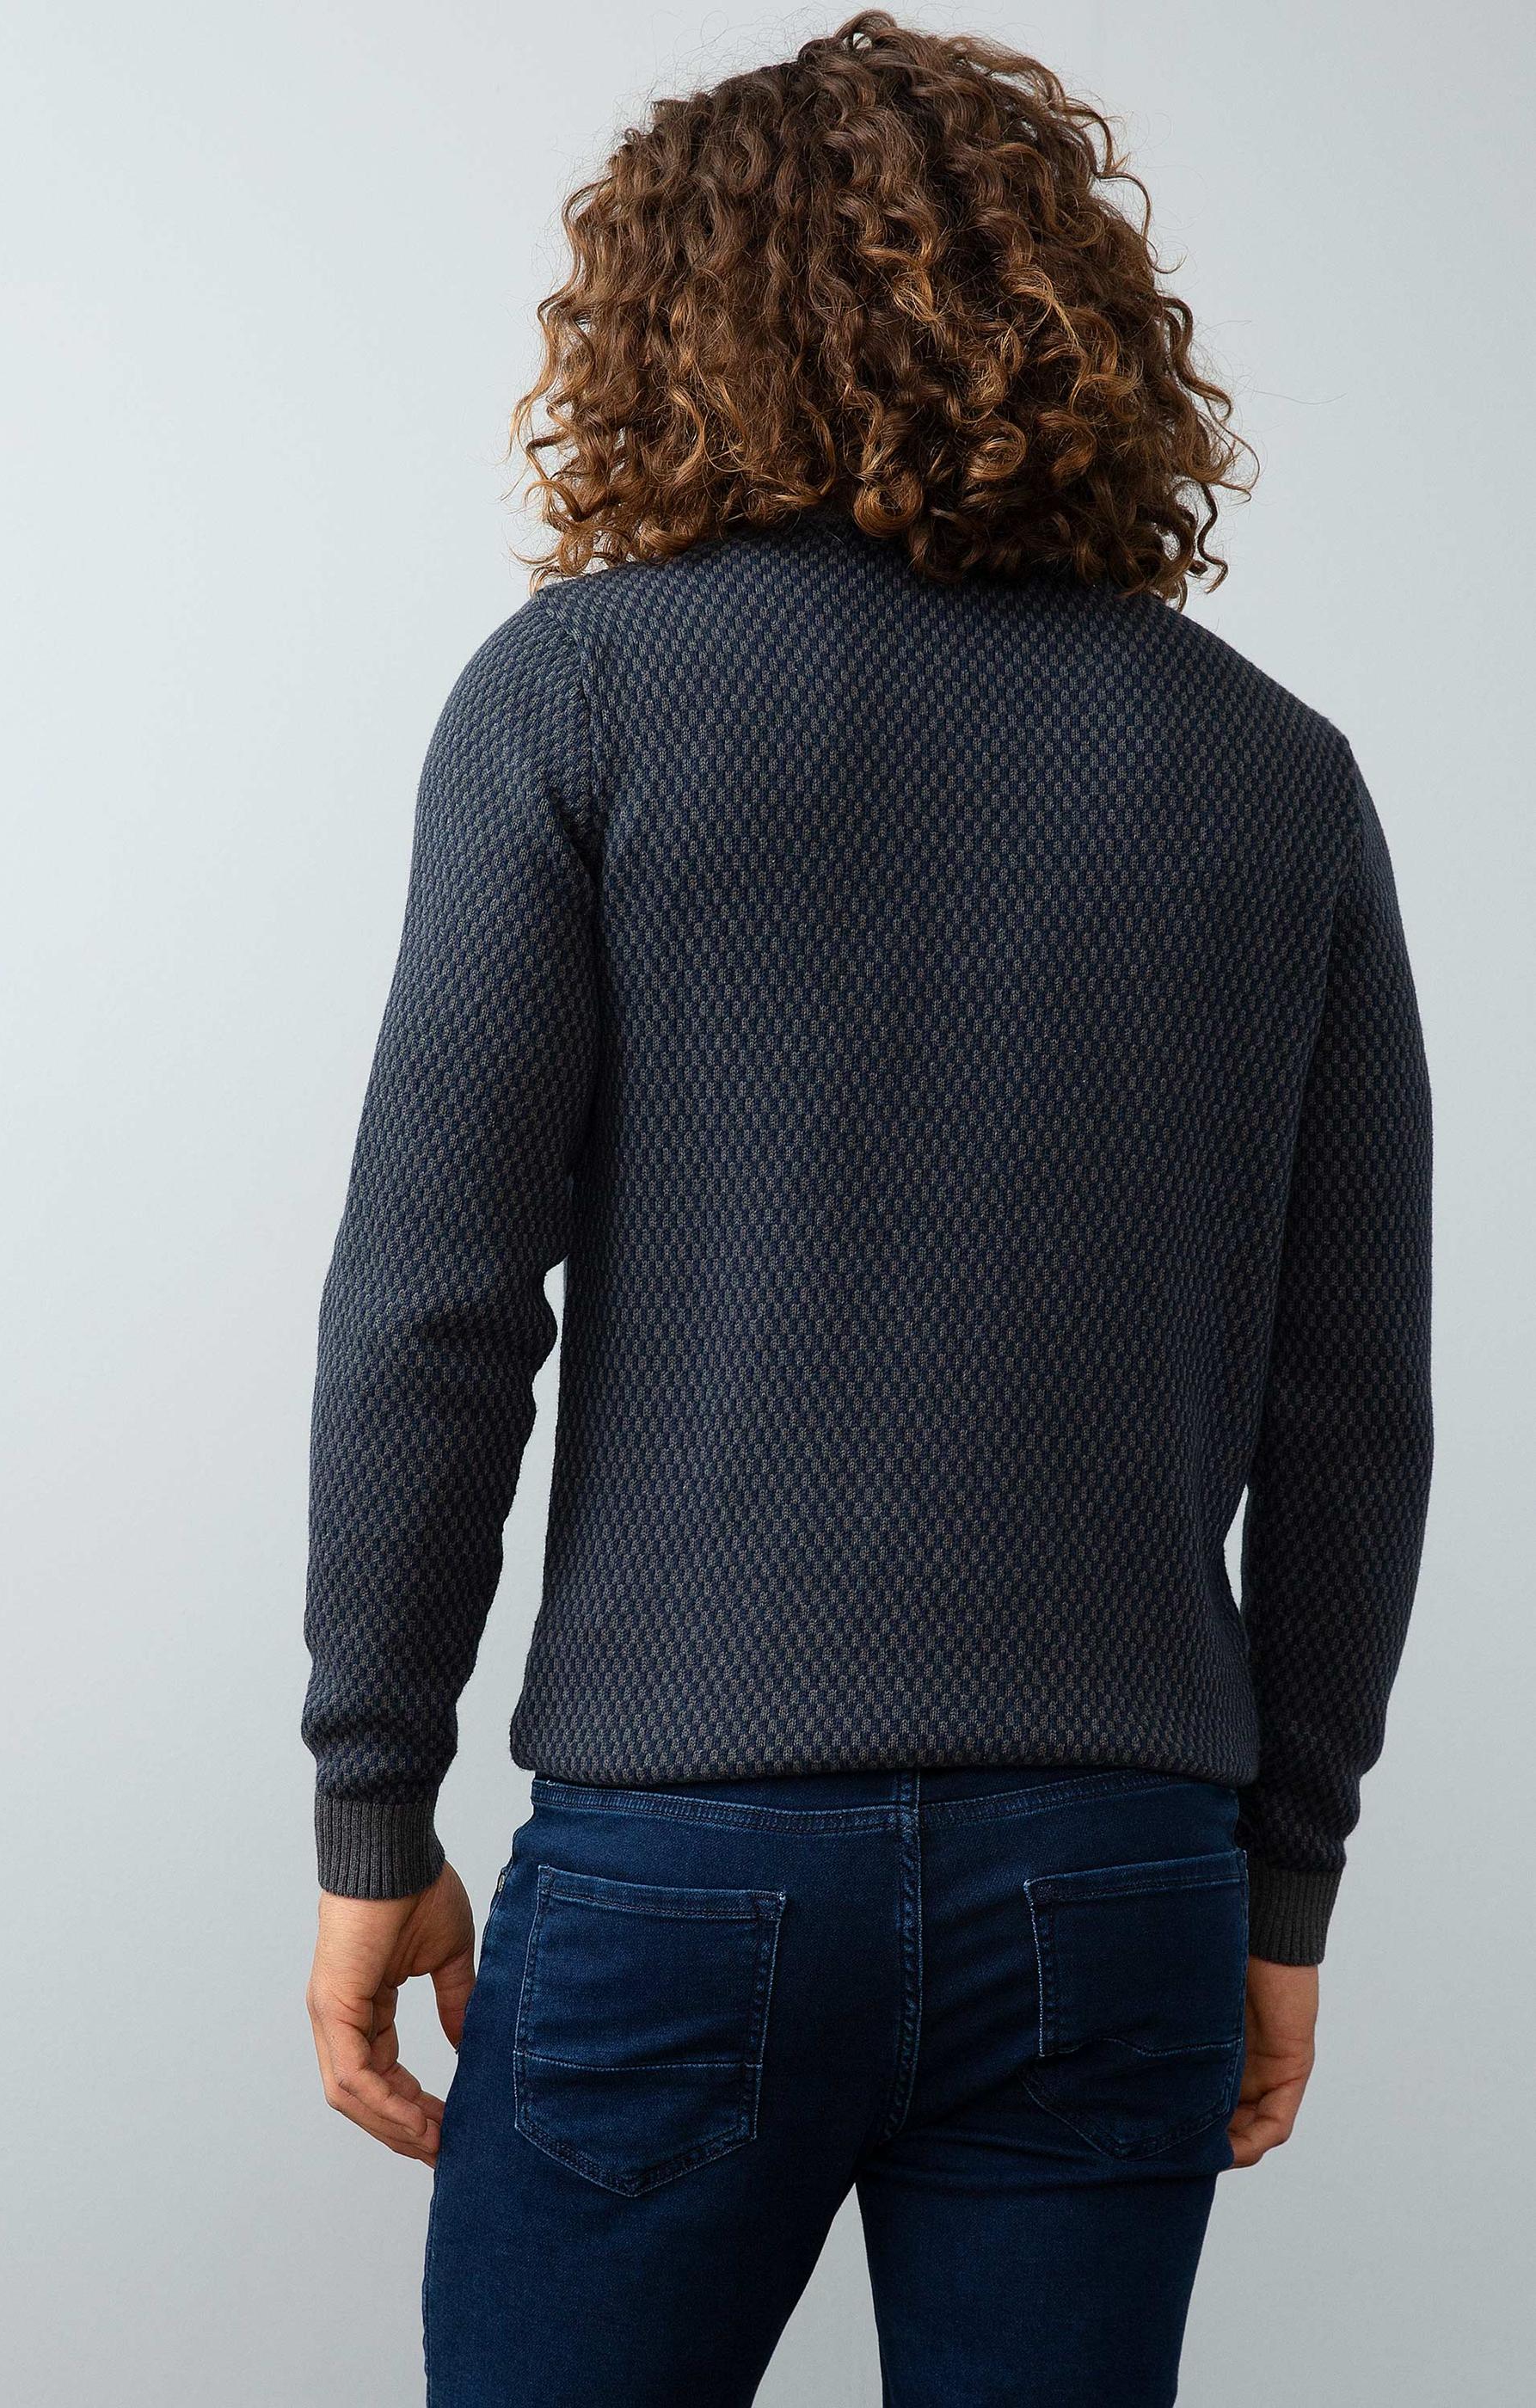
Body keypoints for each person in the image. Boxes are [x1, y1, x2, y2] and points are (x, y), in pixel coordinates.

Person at [300, 15, 1433, 2404]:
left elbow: (432, 1303)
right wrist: (1287, 1878)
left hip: (681, 1864)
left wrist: (373, 1806)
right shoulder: (1272, 772)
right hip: (1117, 1872)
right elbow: (1349, 1408)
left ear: (669, 327)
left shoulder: (581, 696)